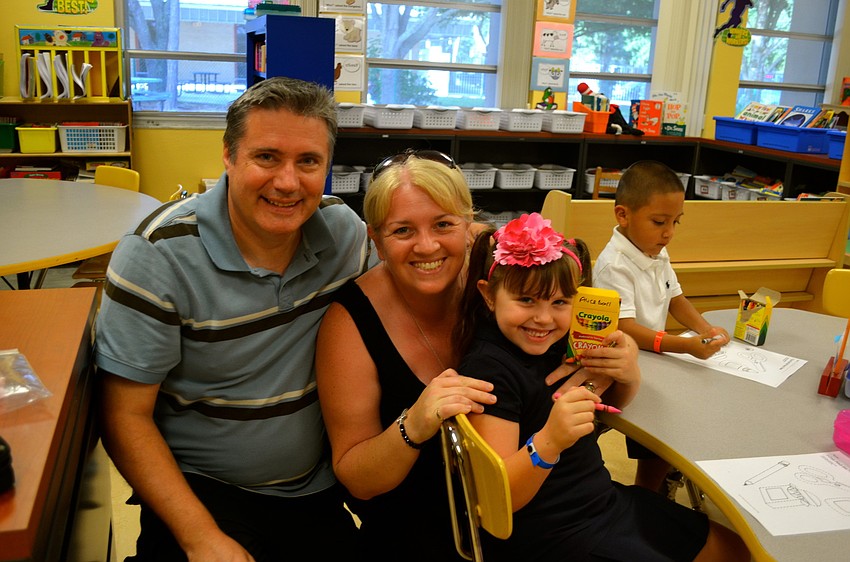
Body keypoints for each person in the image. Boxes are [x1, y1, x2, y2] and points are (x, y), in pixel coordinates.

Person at [314, 150, 640, 560]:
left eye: (444, 224)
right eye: (402, 231)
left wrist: (620, 368)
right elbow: (355, 478)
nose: (427, 245)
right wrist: (413, 424)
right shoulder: (350, 324)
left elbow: (584, 407)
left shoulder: (510, 287)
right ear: (375, 240)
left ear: (468, 228)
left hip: (542, 522)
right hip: (424, 537)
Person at [94, 77, 367, 561]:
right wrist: (201, 538)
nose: (288, 182)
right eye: (267, 157)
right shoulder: (158, 255)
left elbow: (418, 279)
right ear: (228, 155)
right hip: (202, 493)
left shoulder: (344, 234)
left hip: (314, 491)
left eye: (308, 162)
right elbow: (123, 416)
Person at [454, 212, 750, 562]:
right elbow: (497, 503)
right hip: (556, 535)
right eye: (526, 301)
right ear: (488, 296)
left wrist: (626, 374)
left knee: (738, 549)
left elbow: (605, 411)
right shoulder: (490, 369)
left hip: (599, 501)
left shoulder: (558, 345)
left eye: (560, 302)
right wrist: (548, 442)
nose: (544, 318)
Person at [593, 160, 731, 492]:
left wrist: (704, 329)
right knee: (662, 419)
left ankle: (661, 480)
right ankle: (649, 493)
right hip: (616, 368)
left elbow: (675, 298)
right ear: (623, 215)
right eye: (659, 222)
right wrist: (683, 345)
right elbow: (625, 327)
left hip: (650, 358)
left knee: (686, 405)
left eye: (675, 222)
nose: (668, 232)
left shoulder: (657, 250)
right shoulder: (615, 264)